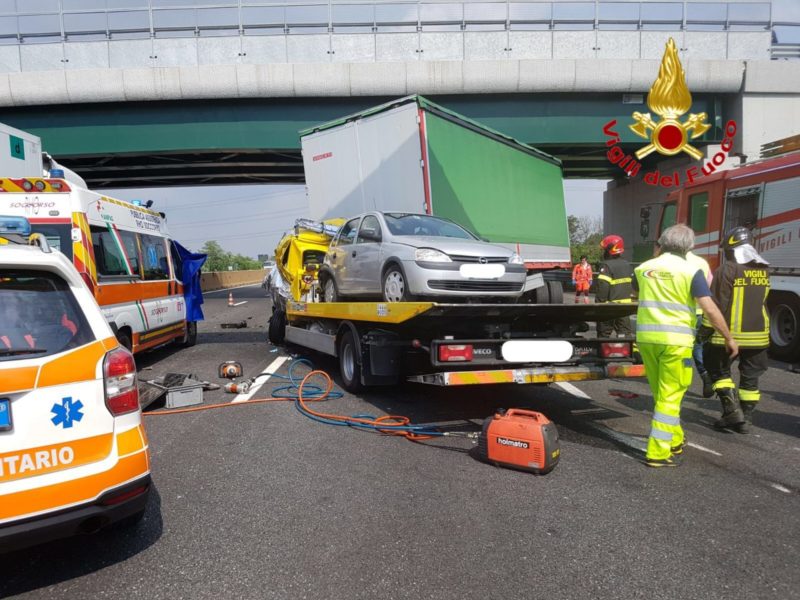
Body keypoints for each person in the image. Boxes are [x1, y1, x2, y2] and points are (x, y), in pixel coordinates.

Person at [634, 224, 738, 468]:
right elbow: (709, 308)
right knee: (671, 396)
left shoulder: (643, 268)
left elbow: (634, 295)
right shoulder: (691, 271)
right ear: (689, 246)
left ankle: (675, 439)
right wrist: (728, 337)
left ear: (662, 243)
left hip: (647, 340)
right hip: (676, 342)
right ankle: (658, 452)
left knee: (662, 395)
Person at [702, 227, 770, 434]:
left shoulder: (727, 270)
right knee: (750, 377)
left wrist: (704, 331)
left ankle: (731, 411)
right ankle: (746, 419)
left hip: (729, 336)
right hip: (759, 336)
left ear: (731, 249)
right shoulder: (763, 270)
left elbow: (716, 305)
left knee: (718, 370)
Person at [686, 250, 715, 398]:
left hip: (680, 314)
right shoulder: (701, 262)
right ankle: (705, 375)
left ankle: (680, 381)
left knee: (681, 349)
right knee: (697, 346)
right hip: (698, 312)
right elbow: (710, 285)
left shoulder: (671, 262)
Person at [596, 234, 633, 337]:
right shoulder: (627, 264)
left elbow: (602, 288)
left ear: (609, 250)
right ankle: (625, 353)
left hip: (609, 309)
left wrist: (598, 306)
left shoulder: (606, 265)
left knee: (603, 336)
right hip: (624, 309)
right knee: (624, 336)